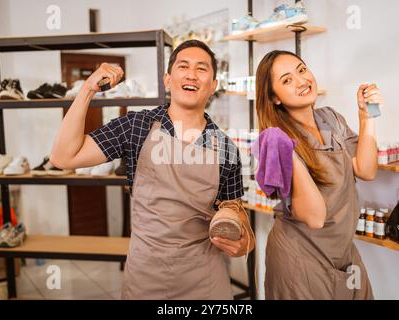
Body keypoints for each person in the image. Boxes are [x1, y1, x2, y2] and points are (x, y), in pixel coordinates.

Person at [50, 40, 255, 299]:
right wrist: (87, 90)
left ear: (213, 86)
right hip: (146, 278)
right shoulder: (136, 126)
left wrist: (242, 243)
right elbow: (63, 157)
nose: (192, 74)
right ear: (168, 80)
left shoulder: (225, 147)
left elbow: (237, 214)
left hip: (205, 280)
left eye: (202, 69)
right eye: (184, 66)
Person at [255, 50, 381, 299]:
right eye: (287, 80)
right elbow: (314, 217)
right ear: (275, 98)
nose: (301, 81)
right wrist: (288, 153)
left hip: (343, 252)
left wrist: (367, 116)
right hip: (299, 261)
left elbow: (366, 169)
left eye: (301, 70)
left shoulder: (330, 118)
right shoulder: (276, 142)